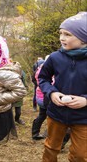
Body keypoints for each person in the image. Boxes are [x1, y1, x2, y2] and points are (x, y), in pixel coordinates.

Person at [38, 12, 87, 161]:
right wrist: (51, 93)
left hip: (83, 117)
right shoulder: (55, 57)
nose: (62, 38)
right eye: (61, 33)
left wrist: (85, 100)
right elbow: (43, 78)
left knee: (79, 155)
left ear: (83, 38)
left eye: (68, 34)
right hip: (56, 113)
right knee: (51, 148)